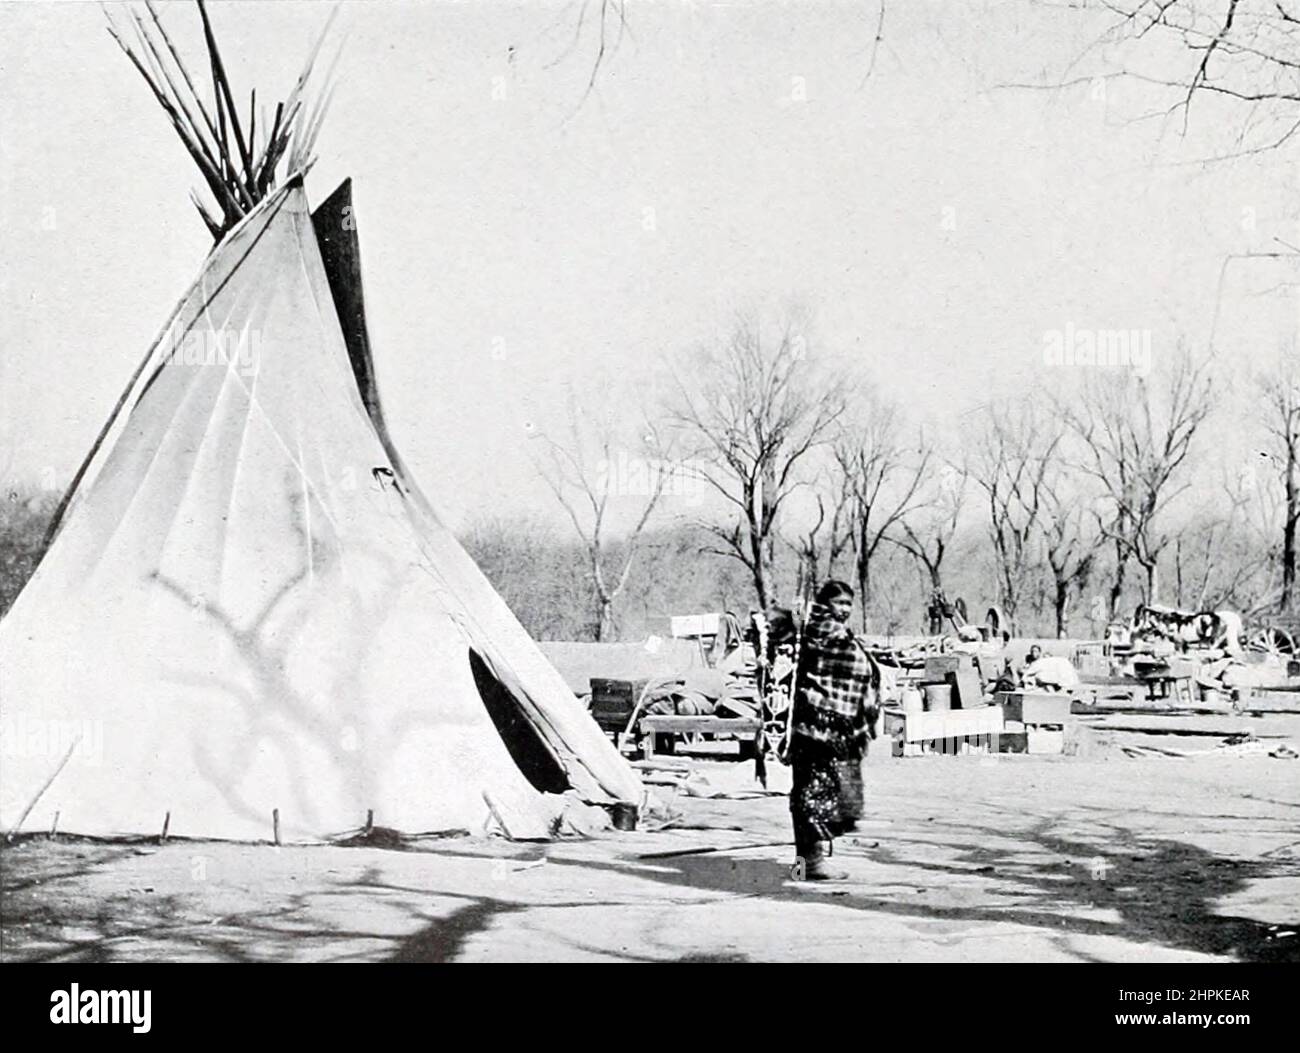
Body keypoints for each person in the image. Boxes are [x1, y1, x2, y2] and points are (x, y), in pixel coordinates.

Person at [788, 580, 879, 881]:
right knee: (814, 796)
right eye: (839, 602)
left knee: (809, 796)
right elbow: (846, 670)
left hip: (820, 728)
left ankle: (804, 867)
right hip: (818, 729)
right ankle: (809, 867)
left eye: (848, 604)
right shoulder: (823, 631)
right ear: (826, 603)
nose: (844, 609)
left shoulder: (822, 630)